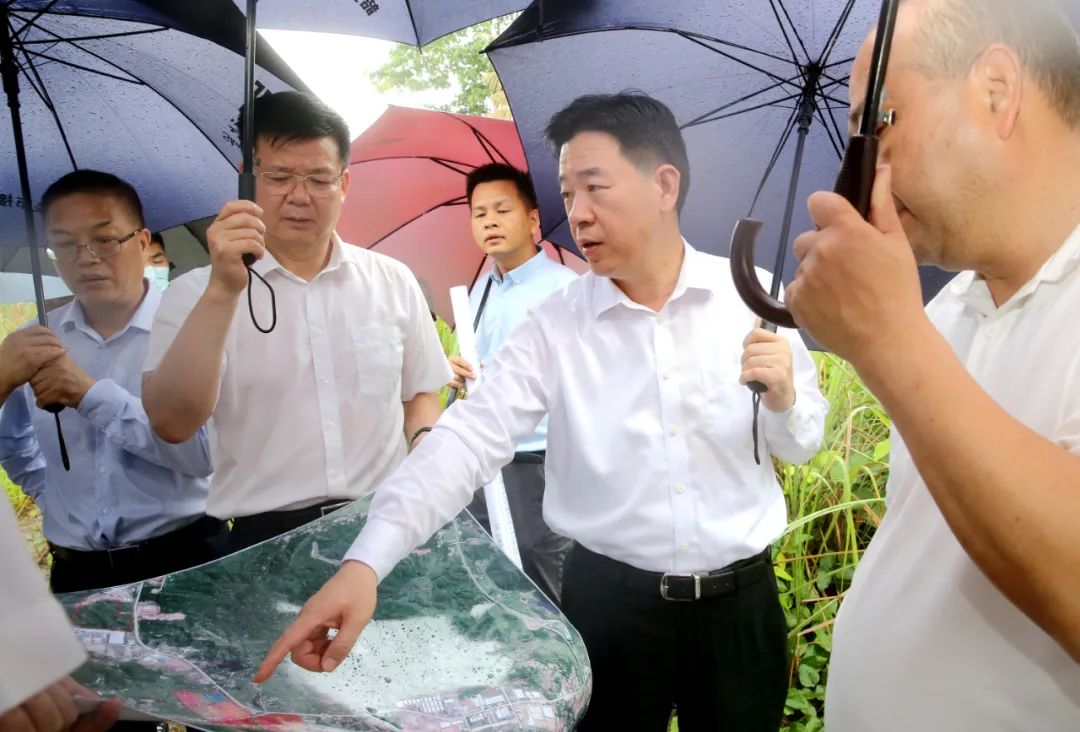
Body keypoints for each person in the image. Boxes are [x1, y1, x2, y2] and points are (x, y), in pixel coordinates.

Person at [256, 92, 829, 731]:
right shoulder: (556, 325)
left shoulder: (750, 297)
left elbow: (800, 443)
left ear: (664, 184)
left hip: (739, 611)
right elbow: (468, 440)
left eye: (595, 187)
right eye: (566, 193)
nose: (577, 215)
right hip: (608, 609)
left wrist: (786, 399)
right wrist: (366, 562)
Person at [782, 0, 1080, 728]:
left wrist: (890, 341)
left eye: (877, 123)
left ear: (998, 91)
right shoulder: (944, 315)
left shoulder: (912, 333)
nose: (859, 169)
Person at [142, 91, 451, 552]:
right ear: (246, 182)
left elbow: (420, 392)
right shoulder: (195, 294)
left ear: (344, 184)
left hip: (383, 524)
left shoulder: (391, 279)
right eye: (280, 176)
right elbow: (171, 422)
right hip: (263, 540)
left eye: (319, 178)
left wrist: (425, 446)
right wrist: (224, 292)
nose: (299, 196)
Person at [0, 171, 222, 594]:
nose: (85, 258)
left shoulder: (189, 331)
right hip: (77, 574)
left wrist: (90, 396)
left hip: (187, 564)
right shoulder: (33, 342)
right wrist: (50, 496)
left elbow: (207, 457)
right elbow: (9, 440)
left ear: (142, 242)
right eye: (64, 244)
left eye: (105, 240)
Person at [449, 163, 578, 605]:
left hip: (537, 462)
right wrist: (460, 372)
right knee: (488, 581)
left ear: (533, 219)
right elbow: (477, 366)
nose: (489, 220)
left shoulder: (564, 290)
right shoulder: (478, 291)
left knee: (545, 585)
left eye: (502, 209)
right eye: (479, 212)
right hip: (484, 460)